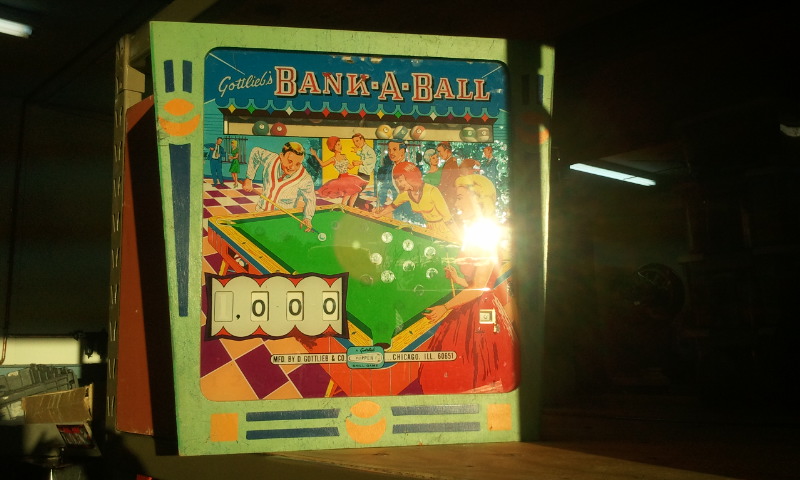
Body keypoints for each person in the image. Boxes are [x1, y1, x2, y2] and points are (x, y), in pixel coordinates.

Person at [418, 174, 518, 394]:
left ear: (477, 199)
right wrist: (457, 279)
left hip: (481, 312)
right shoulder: (476, 234)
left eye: (460, 197)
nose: (456, 204)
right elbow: (477, 282)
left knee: (476, 366)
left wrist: (445, 307)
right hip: (474, 306)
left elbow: (480, 287)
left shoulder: (485, 236)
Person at [242, 141, 316, 232]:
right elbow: (256, 152)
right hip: (260, 213)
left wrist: (307, 217)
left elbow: (310, 200)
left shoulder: (305, 179)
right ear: (281, 156)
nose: (292, 167)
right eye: (290, 161)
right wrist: (249, 178)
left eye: (297, 164)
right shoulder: (271, 159)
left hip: (283, 220)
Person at [371, 161, 457, 239]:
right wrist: (379, 214)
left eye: (400, 180)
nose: (399, 184)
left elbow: (448, 219)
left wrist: (459, 238)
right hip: (429, 230)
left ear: (410, 177)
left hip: (445, 230)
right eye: (397, 182)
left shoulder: (432, 191)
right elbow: (393, 206)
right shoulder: (406, 194)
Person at [312, 136, 367, 208]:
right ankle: (344, 208)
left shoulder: (344, 156)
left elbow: (350, 167)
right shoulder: (333, 159)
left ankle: (351, 208)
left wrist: (355, 164)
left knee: (355, 192)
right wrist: (315, 155)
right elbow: (323, 164)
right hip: (342, 179)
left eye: (340, 144)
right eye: (338, 145)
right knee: (348, 195)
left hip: (348, 177)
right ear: (333, 147)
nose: (340, 146)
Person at [430, 141, 460, 211]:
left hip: (449, 198)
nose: (439, 154)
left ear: (446, 151)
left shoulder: (451, 164)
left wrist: (434, 192)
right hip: (449, 197)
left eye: (440, 151)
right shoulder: (450, 162)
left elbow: (445, 183)